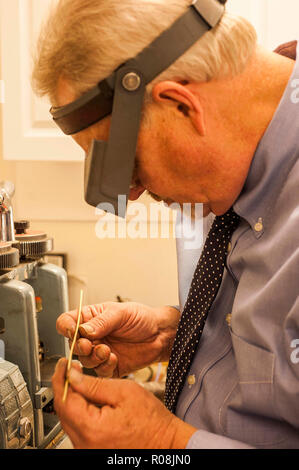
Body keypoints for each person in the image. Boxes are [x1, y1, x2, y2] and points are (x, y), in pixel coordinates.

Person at [32, 0, 299, 449]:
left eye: (129, 166)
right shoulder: (223, 172)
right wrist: (175, 335)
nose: (132, 193)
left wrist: (164, 445)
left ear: (181, 104)